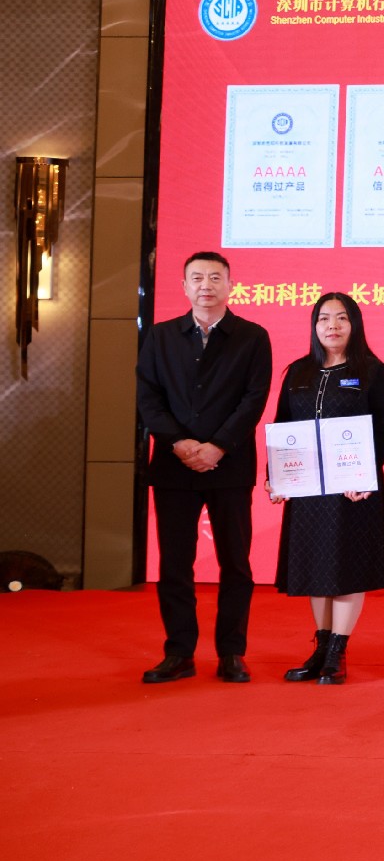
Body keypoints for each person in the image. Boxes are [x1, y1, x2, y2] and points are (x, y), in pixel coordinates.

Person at [133, 251, 272, 683]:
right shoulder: (160, 336)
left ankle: (231, 652)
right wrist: (179, 443)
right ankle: (179, 652)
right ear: (184, 286)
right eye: (196, 278)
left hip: (230, 466)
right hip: (173, 466)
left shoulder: (252, 337)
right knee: (175, 564)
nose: (205, 285)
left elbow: (254, 399)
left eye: (214, 277)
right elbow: (148, 398)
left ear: (230, 285)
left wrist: (217, 447)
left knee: (236, 563)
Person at [271, 293, 384, 686]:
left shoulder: (372, 372)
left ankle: (338, 652)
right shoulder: (298, 372)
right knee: (316, 567)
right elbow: (283, 425)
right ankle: (321, 647)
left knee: (346, 567)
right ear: (314, 325)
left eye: (342, 318)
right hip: (309, 489)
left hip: (353, 490)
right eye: (324, 318)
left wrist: (366, 476)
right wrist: (277, 476)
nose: (333, 326)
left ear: (354, 324)